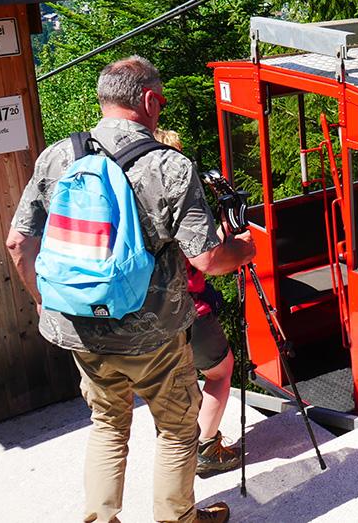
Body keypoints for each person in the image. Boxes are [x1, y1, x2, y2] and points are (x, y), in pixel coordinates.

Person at [6, 56, 256, 523]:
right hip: (152, 333)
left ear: (103, 100)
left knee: (107, 424)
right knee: (179, 428)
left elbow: (18, 241)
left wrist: (44, 302)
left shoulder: (57, 156)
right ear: (149, 101)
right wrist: (245, 249)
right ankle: (177, 519)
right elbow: (208, 259)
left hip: (77, 324)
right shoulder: (169, 166)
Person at [153, 128, 241, 475]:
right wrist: (232, 235)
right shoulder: (179, 202)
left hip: (151, 314)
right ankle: (206, 445)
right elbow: (205, 258)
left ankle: (186, 445)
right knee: (221, 370)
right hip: (190, 309)